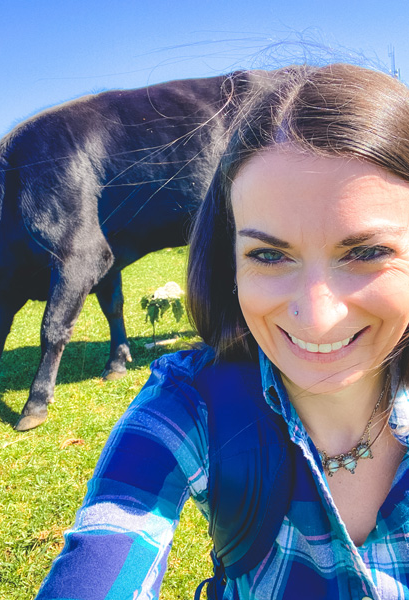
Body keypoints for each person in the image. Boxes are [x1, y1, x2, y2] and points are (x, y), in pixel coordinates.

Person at [35, 63, 409, 599]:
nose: (319, 316)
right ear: (226, 262)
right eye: (269, 255)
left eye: (368, 252)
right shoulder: (190, 407)